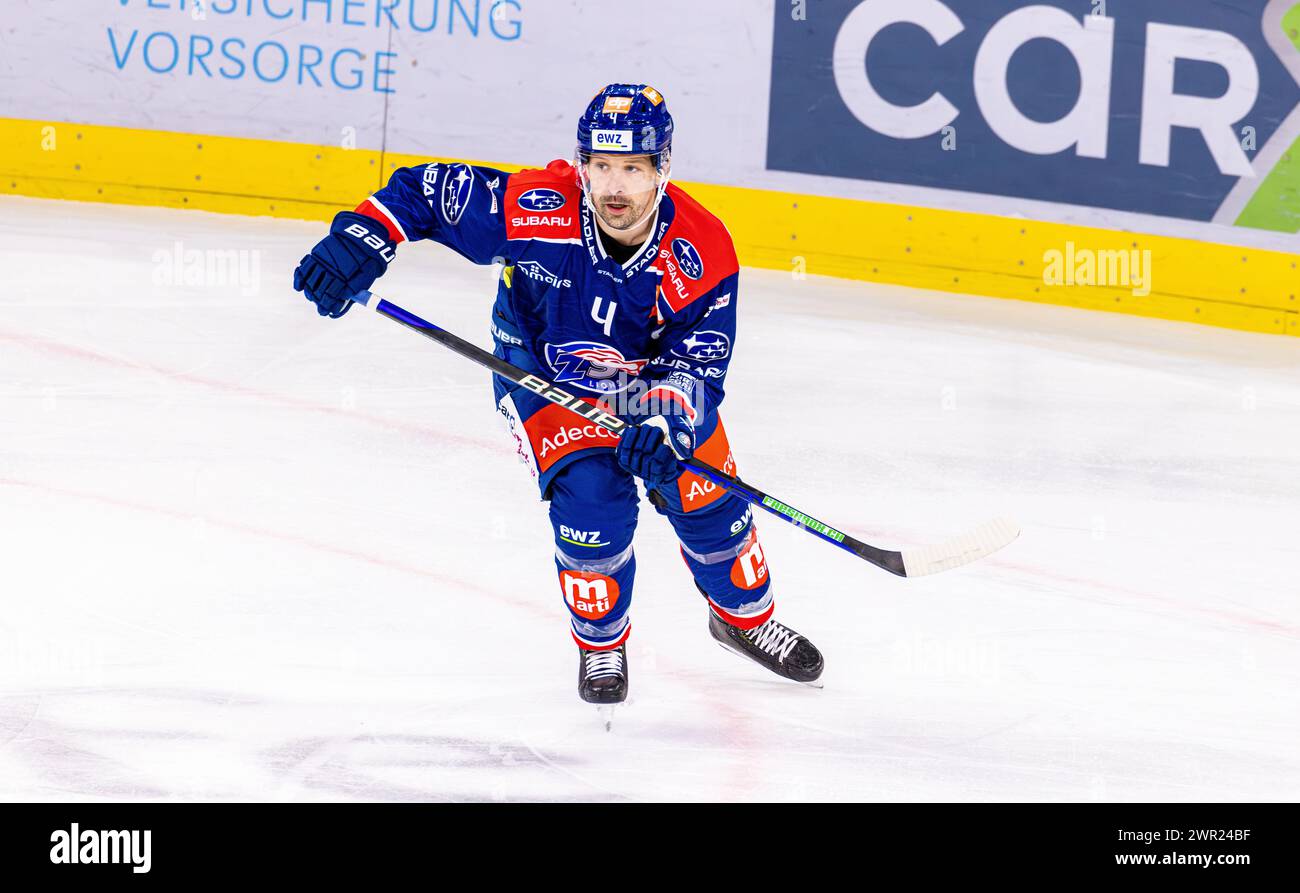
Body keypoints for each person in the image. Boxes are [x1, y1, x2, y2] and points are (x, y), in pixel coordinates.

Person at [292, 84, 824, 709]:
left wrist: (666, 425)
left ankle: (744, 620)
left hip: (649, 385)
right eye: (601, 167)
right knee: (592, 509)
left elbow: (699, 364)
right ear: (582, 166)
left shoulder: (702, 248)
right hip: (540, 375)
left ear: (662, 169)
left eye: (633, 168)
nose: (615, 187)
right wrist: (360, 239)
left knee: (708, 500)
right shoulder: (537, 208)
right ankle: (601, 644)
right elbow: (424, 193)